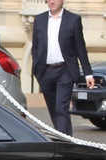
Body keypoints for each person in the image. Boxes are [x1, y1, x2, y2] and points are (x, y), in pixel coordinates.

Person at [31, 0, 94, 136]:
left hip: (65, 71)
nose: (52, 2)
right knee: (54, 110)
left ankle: (65, 143)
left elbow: (80, 48)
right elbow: (35, 47)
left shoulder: (73, 20)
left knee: (61, 108)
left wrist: (88, 74)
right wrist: (36, 68)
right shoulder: (39, 19)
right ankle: (63, 137)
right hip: (45, 72)